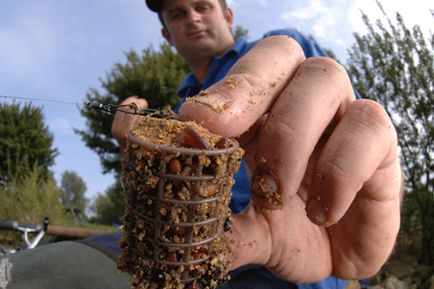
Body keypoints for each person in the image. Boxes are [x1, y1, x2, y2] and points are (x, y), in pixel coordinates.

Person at [111, 0, 403, 288]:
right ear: (167, 35)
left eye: (202, 6)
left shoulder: (291, 56)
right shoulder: (177, 113)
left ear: (227, 15)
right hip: (205, 264)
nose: (193, 18)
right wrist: (139, 149)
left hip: (299, 274)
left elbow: (365, 148)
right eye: (178, 13)